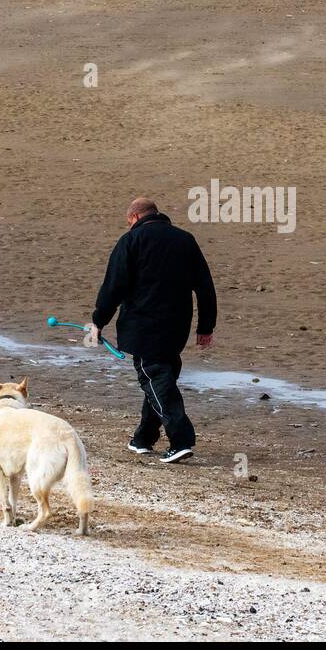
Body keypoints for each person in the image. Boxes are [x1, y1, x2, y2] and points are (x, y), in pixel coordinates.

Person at [92, 197, 216, 463]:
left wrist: (98, 321)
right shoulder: (185, 240)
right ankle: (143, 439)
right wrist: (206, 326)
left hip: (144, 328)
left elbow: (113, 286)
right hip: (177, 326)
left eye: (129, 223)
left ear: (135, 218)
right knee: (162, 375)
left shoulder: (131, 241)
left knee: (155, 378)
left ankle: (181, 439)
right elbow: (205, 286)